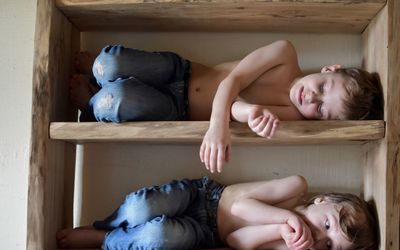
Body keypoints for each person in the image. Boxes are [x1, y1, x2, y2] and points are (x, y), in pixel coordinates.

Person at [70, 40, 383, 173]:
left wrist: (251, 114)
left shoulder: (290, 115)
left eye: (324, 110)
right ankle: (99, 75)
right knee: (107, 65)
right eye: (324, 88)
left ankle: (91, 101)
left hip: (176, 111)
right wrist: (217, 126)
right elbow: (231, 81)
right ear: (329, 69)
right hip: (181, 72)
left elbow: (238, 107)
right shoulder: (285, 54)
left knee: (119, 99)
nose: (313, 99)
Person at [56, 175, 377, 250]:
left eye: (329, 245)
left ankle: (105, 239)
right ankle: (107, 225)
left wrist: (280, 234)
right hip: (204, 196)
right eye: (327, 224)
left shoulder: (290, 245)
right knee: (143, 207)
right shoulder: (295, 187)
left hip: (207, 233)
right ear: (320, 200)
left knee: (158, 237)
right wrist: (284, 218)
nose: (319, 236)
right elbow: (238, 208)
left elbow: (235, 238)